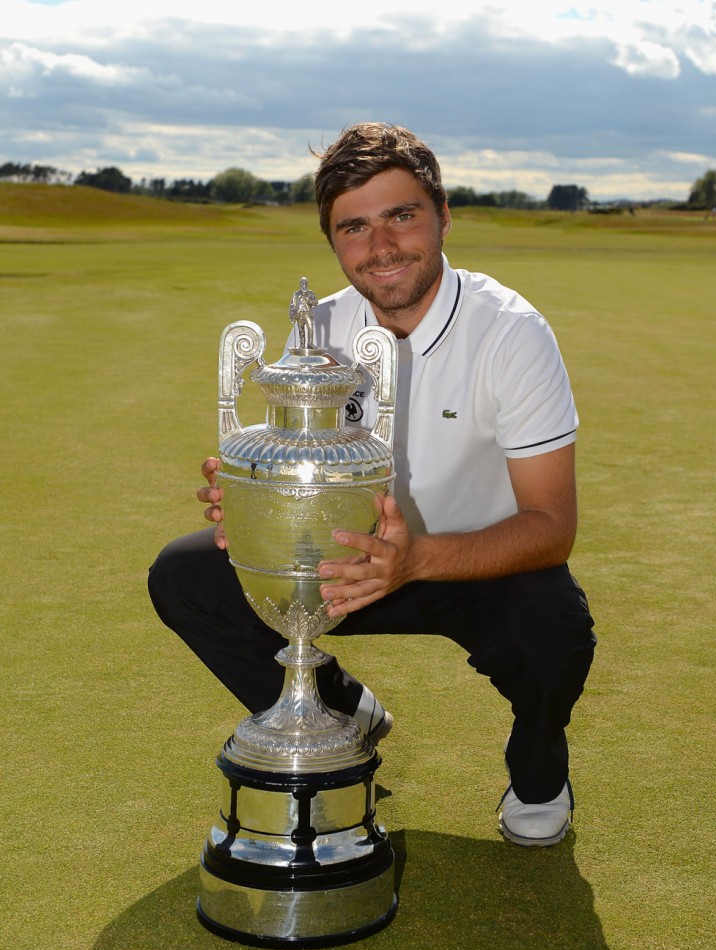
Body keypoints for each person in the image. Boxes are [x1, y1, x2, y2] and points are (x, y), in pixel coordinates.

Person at [148, 122, 596, 847]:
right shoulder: (319, 327)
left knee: (556, 630)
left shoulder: (512, 332)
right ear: (332, 242)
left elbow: (550, 524)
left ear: (443, 217)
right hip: (345, 564)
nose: (380, 246)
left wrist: (416, 559)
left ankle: (538, 765)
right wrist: (255, 497)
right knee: (184, 576)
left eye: (401, 215)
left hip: (473, 561)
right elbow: (293, 468)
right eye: (353, 227)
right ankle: (340, 712)